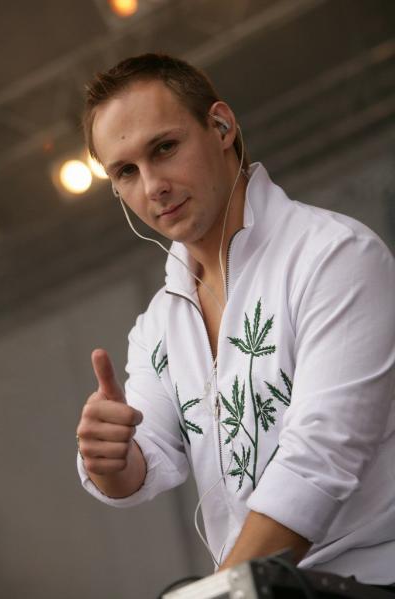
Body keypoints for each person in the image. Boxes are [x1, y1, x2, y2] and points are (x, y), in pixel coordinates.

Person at [76, 53, 395, 586]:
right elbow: (146, 461)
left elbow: (319, 461)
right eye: (126, 171)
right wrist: (110, 461)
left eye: (164, 148)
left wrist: (221, 591)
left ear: (222, 127)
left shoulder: (335, 257)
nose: (152, 186)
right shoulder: (157, 326)